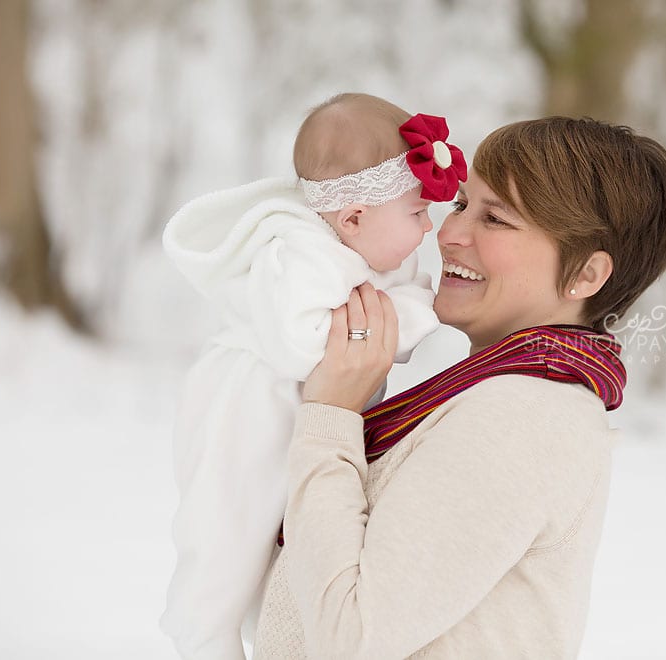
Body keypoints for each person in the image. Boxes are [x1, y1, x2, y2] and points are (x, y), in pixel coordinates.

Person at [250, 116, 666, 659]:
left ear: (587, 276)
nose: (448, 232)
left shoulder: (524, 416)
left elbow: (352, 638)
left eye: (496, 219)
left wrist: (331, 418)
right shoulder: (506, 396)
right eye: (460, 204)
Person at [159, 93, 468, 660]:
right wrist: (410, 314)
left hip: (290, 411)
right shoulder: (301, 255)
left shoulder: (364, 244)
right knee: (227, 528)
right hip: (244, 408)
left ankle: (260, 629)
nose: (429, 228)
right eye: (417, 213)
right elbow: (310, 344)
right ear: (353, 217)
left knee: (275, 539)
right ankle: (201, 631)